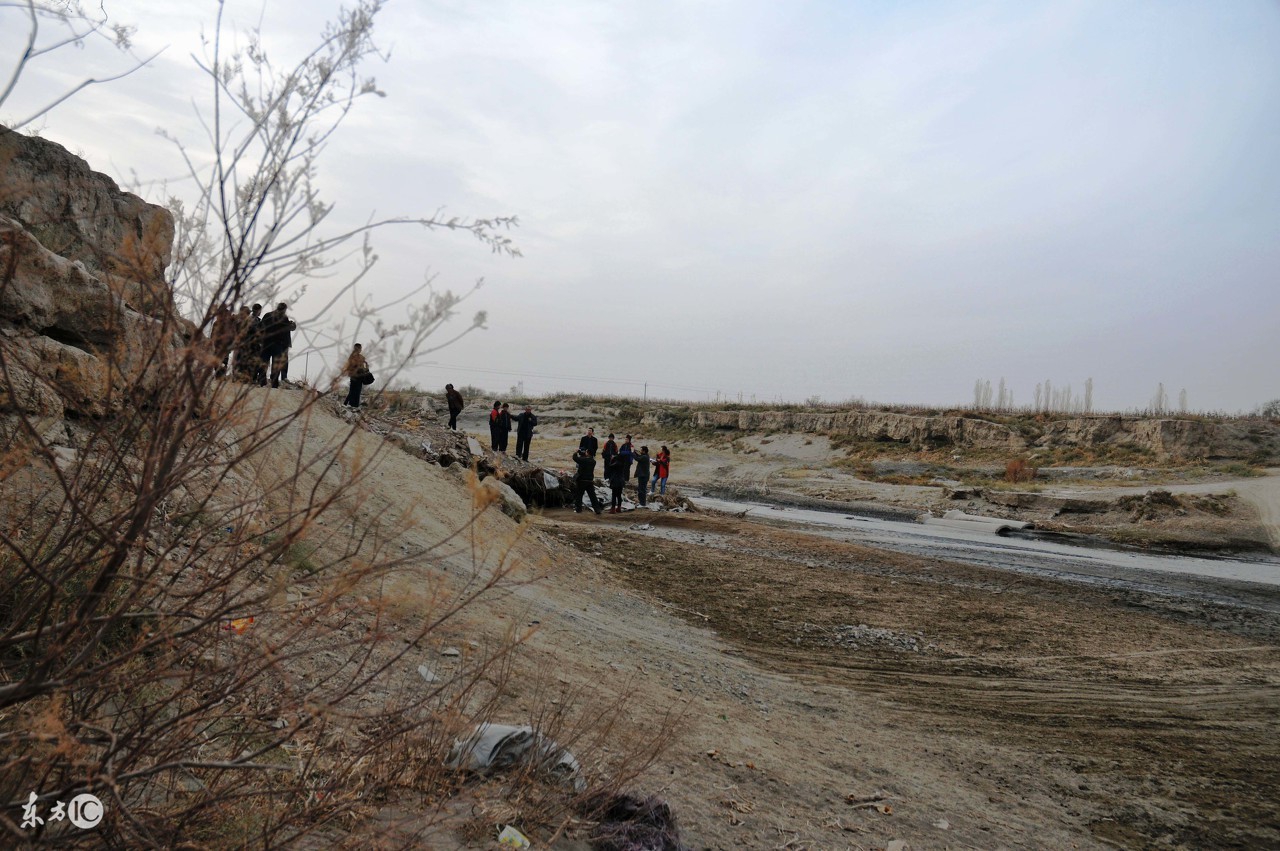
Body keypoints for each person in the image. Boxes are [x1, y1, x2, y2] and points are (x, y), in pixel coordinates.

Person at [261, 301, 297, 388]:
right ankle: (274, 383)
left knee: (264, 362)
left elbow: (260, 327)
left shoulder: (267, 315)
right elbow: (288, 328)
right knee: (275, 363)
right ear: (284, 310)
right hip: (277, 344)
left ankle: (261, 380)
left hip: (266, 343)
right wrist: (292, 325)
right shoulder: (283, 318)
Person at [571, 448, 603, 514]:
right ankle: (597, 509)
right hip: (589, 481)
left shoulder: (583, 460)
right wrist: (583, 454)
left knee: (579, 495)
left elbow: (575, 458)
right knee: (592, 496)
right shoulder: (593, 461)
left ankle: (578, 509)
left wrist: (576, 452)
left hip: (582, 480)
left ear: (587, 453)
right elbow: (585, 459)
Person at [607, 444, 632, 513]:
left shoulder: (616, 463)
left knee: (614, 495)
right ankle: (619, 508)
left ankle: (613, 509)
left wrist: (611, 460)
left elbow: (610, 467)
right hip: (621, 481)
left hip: (615, 481)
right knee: (619, 495)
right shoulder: (622, 463)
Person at [343, 343, 368, 409]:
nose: (360, 350)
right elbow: (350, 366)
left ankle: (350, 405)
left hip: (359, 376)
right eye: (359, 348)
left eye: (360, 349)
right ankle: (349, 404)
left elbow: (364, 366)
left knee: (356, 391)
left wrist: (364, 368)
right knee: (353, 391)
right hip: (355, 376)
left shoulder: (361, 357)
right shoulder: (352, 357)